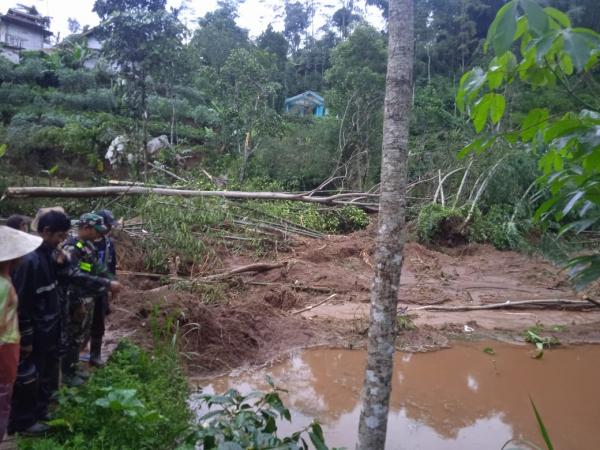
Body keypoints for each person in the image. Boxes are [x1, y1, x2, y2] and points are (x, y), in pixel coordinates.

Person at [9, 211, 71, 435]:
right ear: (46, 232)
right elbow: (22, 303)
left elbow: (60, 284)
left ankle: (40, 411)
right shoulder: (29, 261)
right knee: (28, 376)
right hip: (36, 331)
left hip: (50, 327)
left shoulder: (50, 255)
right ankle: (23, 422)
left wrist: (63, 263)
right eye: (60, 236)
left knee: (45, 373)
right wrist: (26, 337)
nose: (62, 241)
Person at [61, 213, 120, 386]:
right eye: (97, 231)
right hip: (76, 298)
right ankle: (67, 373)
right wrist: (78, 302)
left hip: (90, 296)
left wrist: (109, 281)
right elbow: (74, 277)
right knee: (73, 336)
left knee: (82, 334)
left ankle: (73, 368)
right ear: (86, 228)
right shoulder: (71, 248)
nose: (100, 234)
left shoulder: (86, 245)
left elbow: (97, 267)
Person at [0, 226, 42, 442]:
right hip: (4, 346)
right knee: (3, 396)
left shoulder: (7, 279)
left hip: (8, 343)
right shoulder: (4, 286)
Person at [89, 209, 118, 367]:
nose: (109, 228)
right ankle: (73, 357)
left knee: (99, 322)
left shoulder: (108, 243)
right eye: (107, 225)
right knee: (79, 324)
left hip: (102, 289)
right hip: (84, 290)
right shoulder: (85, 243)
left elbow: (111, 266)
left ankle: (95, 355)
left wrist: (112, 284)